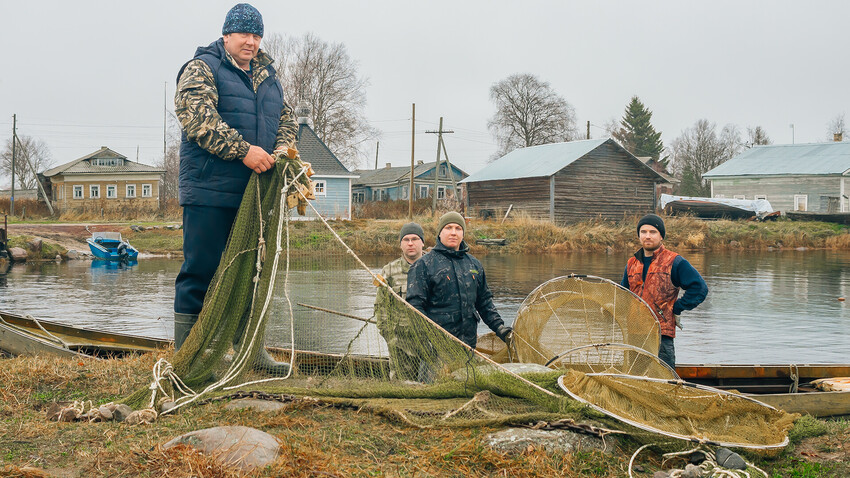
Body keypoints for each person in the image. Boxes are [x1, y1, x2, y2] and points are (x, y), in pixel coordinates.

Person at [172, 3, 297, 375]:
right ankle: (189, 358)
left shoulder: (269, 76)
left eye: (257, 35)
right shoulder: (203, 68)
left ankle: (250, 350)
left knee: (253, 273)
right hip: (209, 190)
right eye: (244, 33)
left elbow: (287, 121)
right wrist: (244, 151)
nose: (251, 41)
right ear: (226, 34)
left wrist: (280, 151)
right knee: (201, 271)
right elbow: (197, 119)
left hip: (255, 194)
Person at [406, 212, 512, 349]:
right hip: (436, 348)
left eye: (458, 228)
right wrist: (427, 340)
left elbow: (484, 302)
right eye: (448, 228)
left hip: (468, 345)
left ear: (463, 234)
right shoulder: (423, 265)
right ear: (440, 233)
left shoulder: (474, 265)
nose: (453, 233)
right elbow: (415, 308)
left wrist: (499, 327)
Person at [621, 214, 708, 368]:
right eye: (644, 232)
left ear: (661, 236)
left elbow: (699, 288)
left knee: (663, 380)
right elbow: (622, 294)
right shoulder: (631, 263)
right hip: (635, 333)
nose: (648, 236)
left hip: (661, 334)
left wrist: (678, 308)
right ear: (639, 235)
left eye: (653, 232)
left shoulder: (674, 261)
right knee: (634, 378)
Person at [374, 222, 426, 380]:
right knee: (402, 385)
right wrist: (390, 337)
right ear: (401, 245)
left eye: (415, 239)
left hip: (429, 342)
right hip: (400, 343)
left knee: (431, 384)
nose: (411, 243)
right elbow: (380, 308)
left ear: (422, 242)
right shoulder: (389, 271)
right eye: (406, 239)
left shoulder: (433, 268)